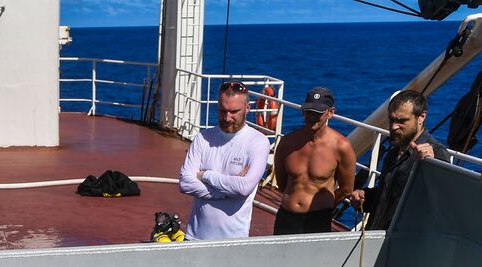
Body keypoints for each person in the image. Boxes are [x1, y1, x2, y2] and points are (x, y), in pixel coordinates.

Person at [176, 81, 272, 241]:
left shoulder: (258, 142)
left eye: (234, 111)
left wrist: (205, 175)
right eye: (222, 111)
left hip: (233, 240)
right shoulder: (203, 138)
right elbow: (185, 183)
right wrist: (225, 193)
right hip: (194, 238)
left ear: (247, 108)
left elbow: (243, 188)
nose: (227, 118)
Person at [350, 90, 452, 231]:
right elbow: (390, 194)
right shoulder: (394, 152)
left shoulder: (436, 153)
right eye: (391, 120)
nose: (393, 127)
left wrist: (432, 166)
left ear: (421, 117)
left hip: (405, 242)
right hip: (378, 238)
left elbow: (443, 200)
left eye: (401, 121)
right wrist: (366, 197)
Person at [272, 87, 356, 236]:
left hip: (318, 220)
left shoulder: (341, 147)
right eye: (308, 111)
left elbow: (346, 189)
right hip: (286, 217)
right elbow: (282, 183)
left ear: (330, 113)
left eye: (318, 113)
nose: (311, 117)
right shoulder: (287, 143)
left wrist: (323, 206)